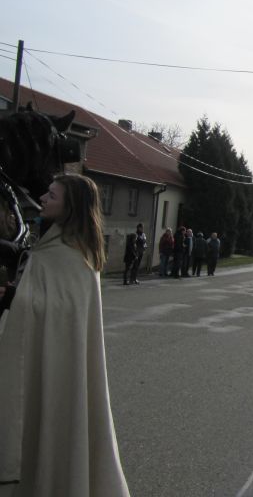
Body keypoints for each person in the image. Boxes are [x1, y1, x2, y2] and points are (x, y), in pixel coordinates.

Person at [0, 173, 130, 496]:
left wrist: (12, 296)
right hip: (43, 356)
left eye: (52, 195)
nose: (43, 198)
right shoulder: (52, 245)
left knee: (54, 420)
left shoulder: (75, 255)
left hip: (60, 365)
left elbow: (57, 310)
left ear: (70, 206)